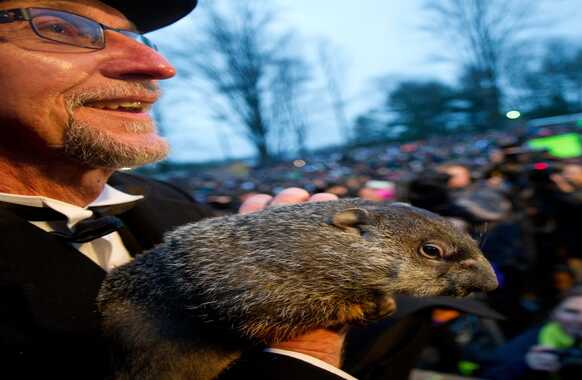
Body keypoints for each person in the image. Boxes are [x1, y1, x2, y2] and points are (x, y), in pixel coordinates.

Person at [0, 1, 349, 379]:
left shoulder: (171, 204)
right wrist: (303, 348)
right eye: (58, 29)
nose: (157, 67)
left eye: (139, 38)